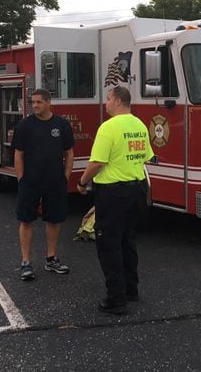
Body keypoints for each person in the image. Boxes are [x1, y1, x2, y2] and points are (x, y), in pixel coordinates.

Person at [77, 86, 154, 315]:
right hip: (136, 190)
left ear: (118, 100)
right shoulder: (139, 124)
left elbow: (97, 162)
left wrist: (82, 182)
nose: (106, 103)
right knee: (128, 241)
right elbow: (146, 157)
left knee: (109, 244)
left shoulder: (108, 127)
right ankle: (131, 289)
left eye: (108, 99)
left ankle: (116, 298)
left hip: (113, 193)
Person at [12, 88, 74, 281]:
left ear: (49, 103)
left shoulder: (61, 125)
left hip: (55, 182)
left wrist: (66, 176)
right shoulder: (24, 126)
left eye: (39, 102)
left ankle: (51, 258)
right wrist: (21, 179)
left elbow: (69, 152)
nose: (35, 105)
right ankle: (25, 262)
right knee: (26, 220)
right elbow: (18, 154)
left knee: (54, 220)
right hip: (30, 182)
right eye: (33, 102)